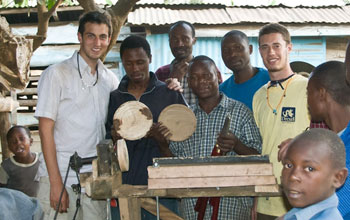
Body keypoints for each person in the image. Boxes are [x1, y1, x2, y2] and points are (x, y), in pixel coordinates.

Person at [34, 11, 120, 219]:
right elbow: (45, 130)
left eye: (103, 37)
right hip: (60, 176)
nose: (97, 43)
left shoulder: (110, 80)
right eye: (91, 36)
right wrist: (55, 183)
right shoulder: (56, 74)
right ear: (80, 37)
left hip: (95, 181)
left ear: (109, 39)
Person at [167, 55, 262, 219]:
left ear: (218, 77)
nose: (201, 82)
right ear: (188, 83)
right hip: (192, 208)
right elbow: (174, 163)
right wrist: (162, 142)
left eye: (206, 76)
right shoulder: (184, 119)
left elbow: (259, 159)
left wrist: (237, 145)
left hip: (232, 207)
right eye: (194, 78)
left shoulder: (240, 111)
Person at [105, 35, 186, 219]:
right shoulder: (116, 98)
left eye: (140, 62)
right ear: (122, 63)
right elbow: (108, 144)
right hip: (125, 187)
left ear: (150, 58)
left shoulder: (168, 93)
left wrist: (162, 142)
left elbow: (185, 142)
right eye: (129, 63)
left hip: (163, 190)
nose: (135, 69)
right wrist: (115, 138)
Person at [252, 23, 310, 219]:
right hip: (265, 197)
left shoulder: (308, 88)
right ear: (259, 51)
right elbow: (262, 147)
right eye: (265, 47)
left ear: (289, 48)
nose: (271, 53)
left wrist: (298, 144)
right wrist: (255, 197)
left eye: (277, 45)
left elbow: (326, 134)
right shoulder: (258, 96)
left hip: (299, 197)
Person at [278, 60, 350, 218]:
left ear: (322, 94)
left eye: (308, 92)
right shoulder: (334, 141)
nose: (307, 101)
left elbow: (337, 206)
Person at [279, 128, 348, 220]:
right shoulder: (301, 210)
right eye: (288, 165)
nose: (293, 176)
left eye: (309, 169)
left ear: (338, 177)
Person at [155, 20, 223, 106]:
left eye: (185, 39)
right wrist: (171, 79)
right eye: (174, 39)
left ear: (194, 40)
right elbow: (156, 105)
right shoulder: (161, 73)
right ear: (169, 42)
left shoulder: (210, 70)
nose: (180, 44)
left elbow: (220, 101)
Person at [220, 30, 270, 110]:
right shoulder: (222, 92)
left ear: (250, 49)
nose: (232, 54)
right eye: (226, 50)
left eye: (238, 48)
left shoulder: (271, 81)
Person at [0, 125, 39, 197]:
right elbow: (2, 190)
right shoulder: (6, 166)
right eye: (13, 141)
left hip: (41, 205)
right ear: (9, 147)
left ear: (31, 141)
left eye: (22, 139)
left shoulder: (42, 161)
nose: (18, 143)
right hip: (17, 206)